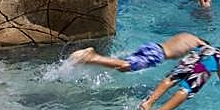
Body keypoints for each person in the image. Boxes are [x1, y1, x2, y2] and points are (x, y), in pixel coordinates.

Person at [68, 32, 208, 73]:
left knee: (124, 63)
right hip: (157, 55)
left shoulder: (187, 36)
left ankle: (92, 58)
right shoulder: (198, 43)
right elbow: (208, 54)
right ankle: (91, 57)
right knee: (125, 67)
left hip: (153, 46)